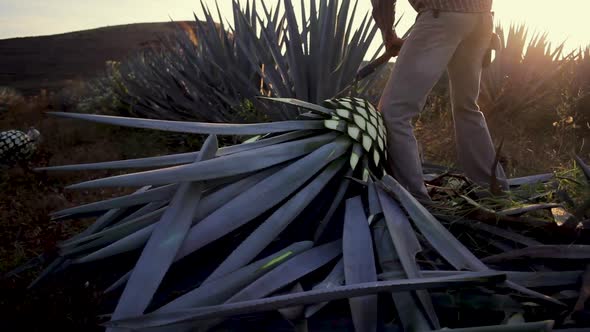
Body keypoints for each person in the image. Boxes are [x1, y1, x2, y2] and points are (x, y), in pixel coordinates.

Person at [371, 0, 508, 201]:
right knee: (467, 108)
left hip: (441, 14)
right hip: (482, 18)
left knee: (394, 112)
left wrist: (388, 33)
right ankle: (493, 191)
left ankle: (414, 201)